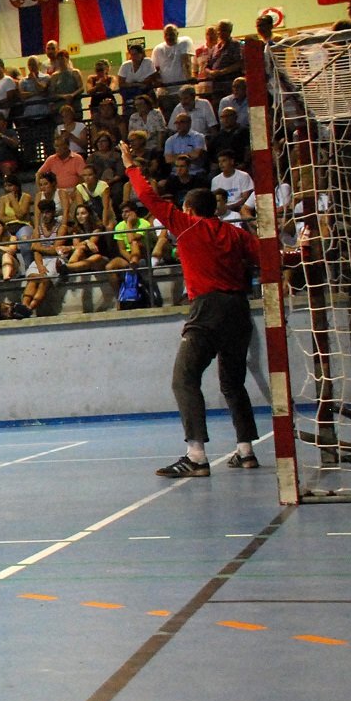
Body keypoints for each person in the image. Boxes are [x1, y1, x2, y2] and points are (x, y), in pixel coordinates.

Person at [121, 139, 261, 475]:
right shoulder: (236, 233)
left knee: (184, 379)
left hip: (207, 308)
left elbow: (148, 197)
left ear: (188, 209)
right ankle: (246, 450)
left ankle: (196, 456)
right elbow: (267, 257)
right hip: (239, 309)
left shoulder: (186, 227)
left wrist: (130, 164)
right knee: (232, 383)